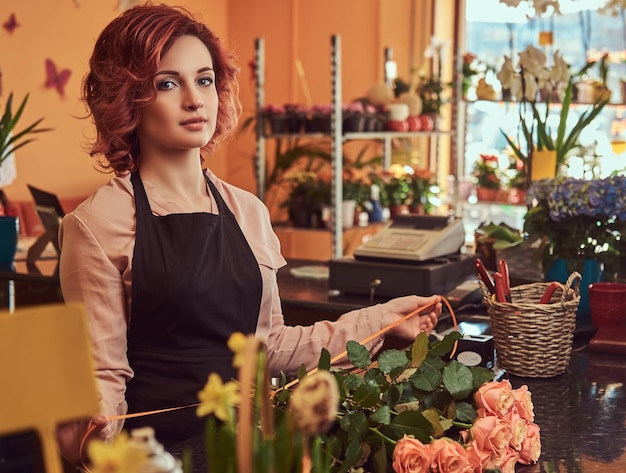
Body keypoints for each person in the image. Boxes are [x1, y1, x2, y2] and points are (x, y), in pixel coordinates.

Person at [56, 2, 442, 466]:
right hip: (159, 456)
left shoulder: (248, 211)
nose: (195, 99)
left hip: (252, 449)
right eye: (167, 83)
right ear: (128, 97)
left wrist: (379, 323)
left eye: (203, 80)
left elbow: (271, 348)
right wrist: (94, 448)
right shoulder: (95, 225)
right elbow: (104, 375)